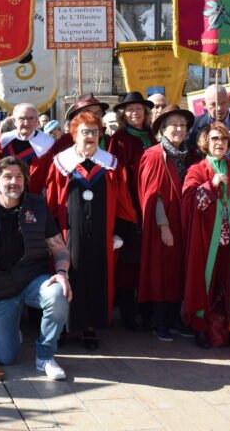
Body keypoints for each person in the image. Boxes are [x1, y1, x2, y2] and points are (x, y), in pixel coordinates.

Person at [0, 157, 71, 380]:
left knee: (57, 295)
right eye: (7, 176)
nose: (14, 181)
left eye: (19, 176)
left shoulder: (38, 205)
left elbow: (59, 247)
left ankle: (45, 357)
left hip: (33, 280)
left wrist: (62, 273)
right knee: (6, 357)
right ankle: (12, 330)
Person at [46, 112, 136, 349]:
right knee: (70, 275)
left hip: (102, 236)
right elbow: (52, 202)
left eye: (95, 132)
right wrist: (53, 235)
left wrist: (120, 233)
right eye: (85, 131)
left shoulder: (111, 164)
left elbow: (123, 202)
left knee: (97, 277)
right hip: (69, 234)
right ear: (74, 134)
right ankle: (65, 326)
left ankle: (90, 327)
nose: (90, 136)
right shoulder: (61, 163)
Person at [182, 122, 230, 348]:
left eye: (223, 139)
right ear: (205, 143)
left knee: (228, 280)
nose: (219, 143)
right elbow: (190, 203)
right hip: (205, 238)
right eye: (214, 139)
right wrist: (211, 186)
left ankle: (226, 327)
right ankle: (200, 327)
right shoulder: (197, 169)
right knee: (204, 281)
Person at [138, 106, 198, 341]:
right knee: (160, 271)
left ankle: (174, 319)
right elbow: (152, 194)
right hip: (162, 223)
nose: (179, 129)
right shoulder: (154, 155)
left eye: (182, 125)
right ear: (162, 130)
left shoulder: (190, 154)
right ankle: (159, 321)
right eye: (173, 124)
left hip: (183, 221)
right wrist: (163, 225)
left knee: (178, 271)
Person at [107, 91, 156, 330]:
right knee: (129, 262)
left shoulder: (154, 135)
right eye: (130, 110)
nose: (135, 113)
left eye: (139, 109)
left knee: (151, 260)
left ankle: (148, 311)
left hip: (154, 205)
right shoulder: (119, 138)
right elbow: (118, 175)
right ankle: (128, 313)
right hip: (131, 206)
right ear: (123, 114)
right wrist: (129, 208)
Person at [0, 103, 55, 195]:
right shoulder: (3, 141)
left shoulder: (48, 144)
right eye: (22, 118)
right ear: (14, 121)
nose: (26, 123)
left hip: (34, 198)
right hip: (7, 195)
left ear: (37, 120)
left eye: (30, 118)